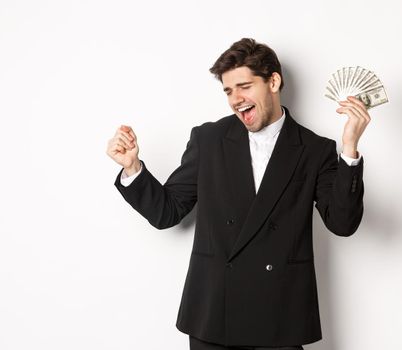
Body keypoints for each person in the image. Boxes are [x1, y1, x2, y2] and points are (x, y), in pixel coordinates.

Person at [106, 38, 370, 350]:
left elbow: (342, 223)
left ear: (273, 81)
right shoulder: (209, 139)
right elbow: (167, 212)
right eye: (229, 91)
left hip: (280, 317)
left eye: (244, 86)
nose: (236, 99)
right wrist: (133, 167)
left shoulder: (315, 149)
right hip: (216, 313)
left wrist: (350, 149)